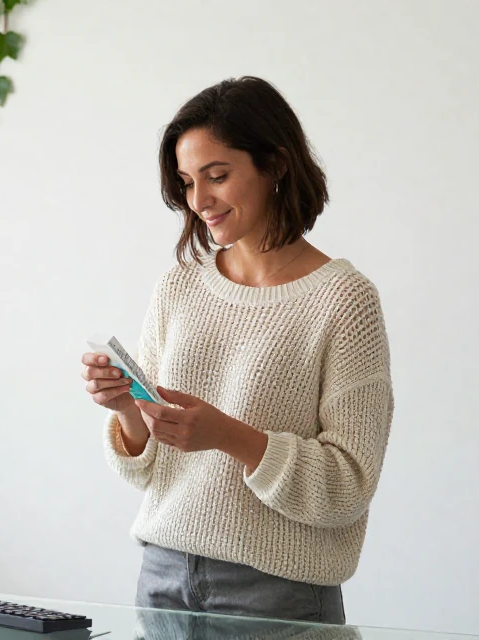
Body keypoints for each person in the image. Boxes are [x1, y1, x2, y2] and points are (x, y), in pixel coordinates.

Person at [81, 76, 394, 625]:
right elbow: (147, 470)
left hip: (278, 592)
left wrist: (229, 437)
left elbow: (349, 486)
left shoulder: (345, 300)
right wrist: (129, 411)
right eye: (185, 182)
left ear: (274, 165)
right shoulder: (177, 286)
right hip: (163, 577)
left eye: (217, 176)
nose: (199, 201)